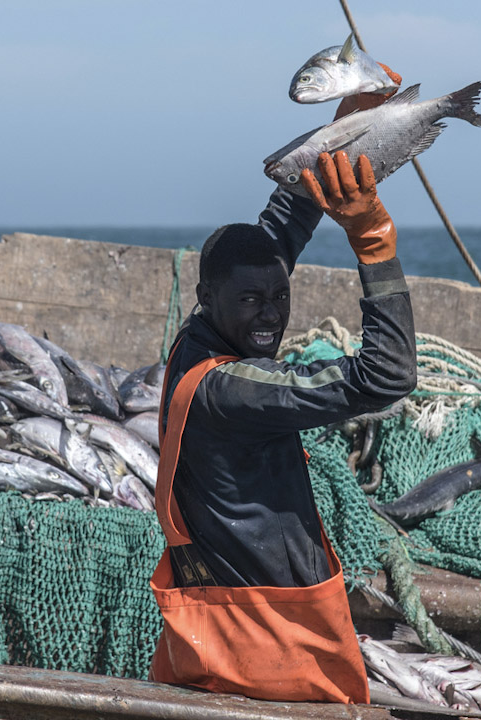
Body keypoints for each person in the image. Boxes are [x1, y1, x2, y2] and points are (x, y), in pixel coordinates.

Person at [148, 145, 416, 704]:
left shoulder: (199, 337)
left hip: (225, 636)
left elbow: (278, 230)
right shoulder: (234, 390)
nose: (269, 315)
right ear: (206, 297)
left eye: (280, 296)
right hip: (272, 649)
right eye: (250, 299)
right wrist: (374, 243)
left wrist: (336, 140)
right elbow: (387, 375)